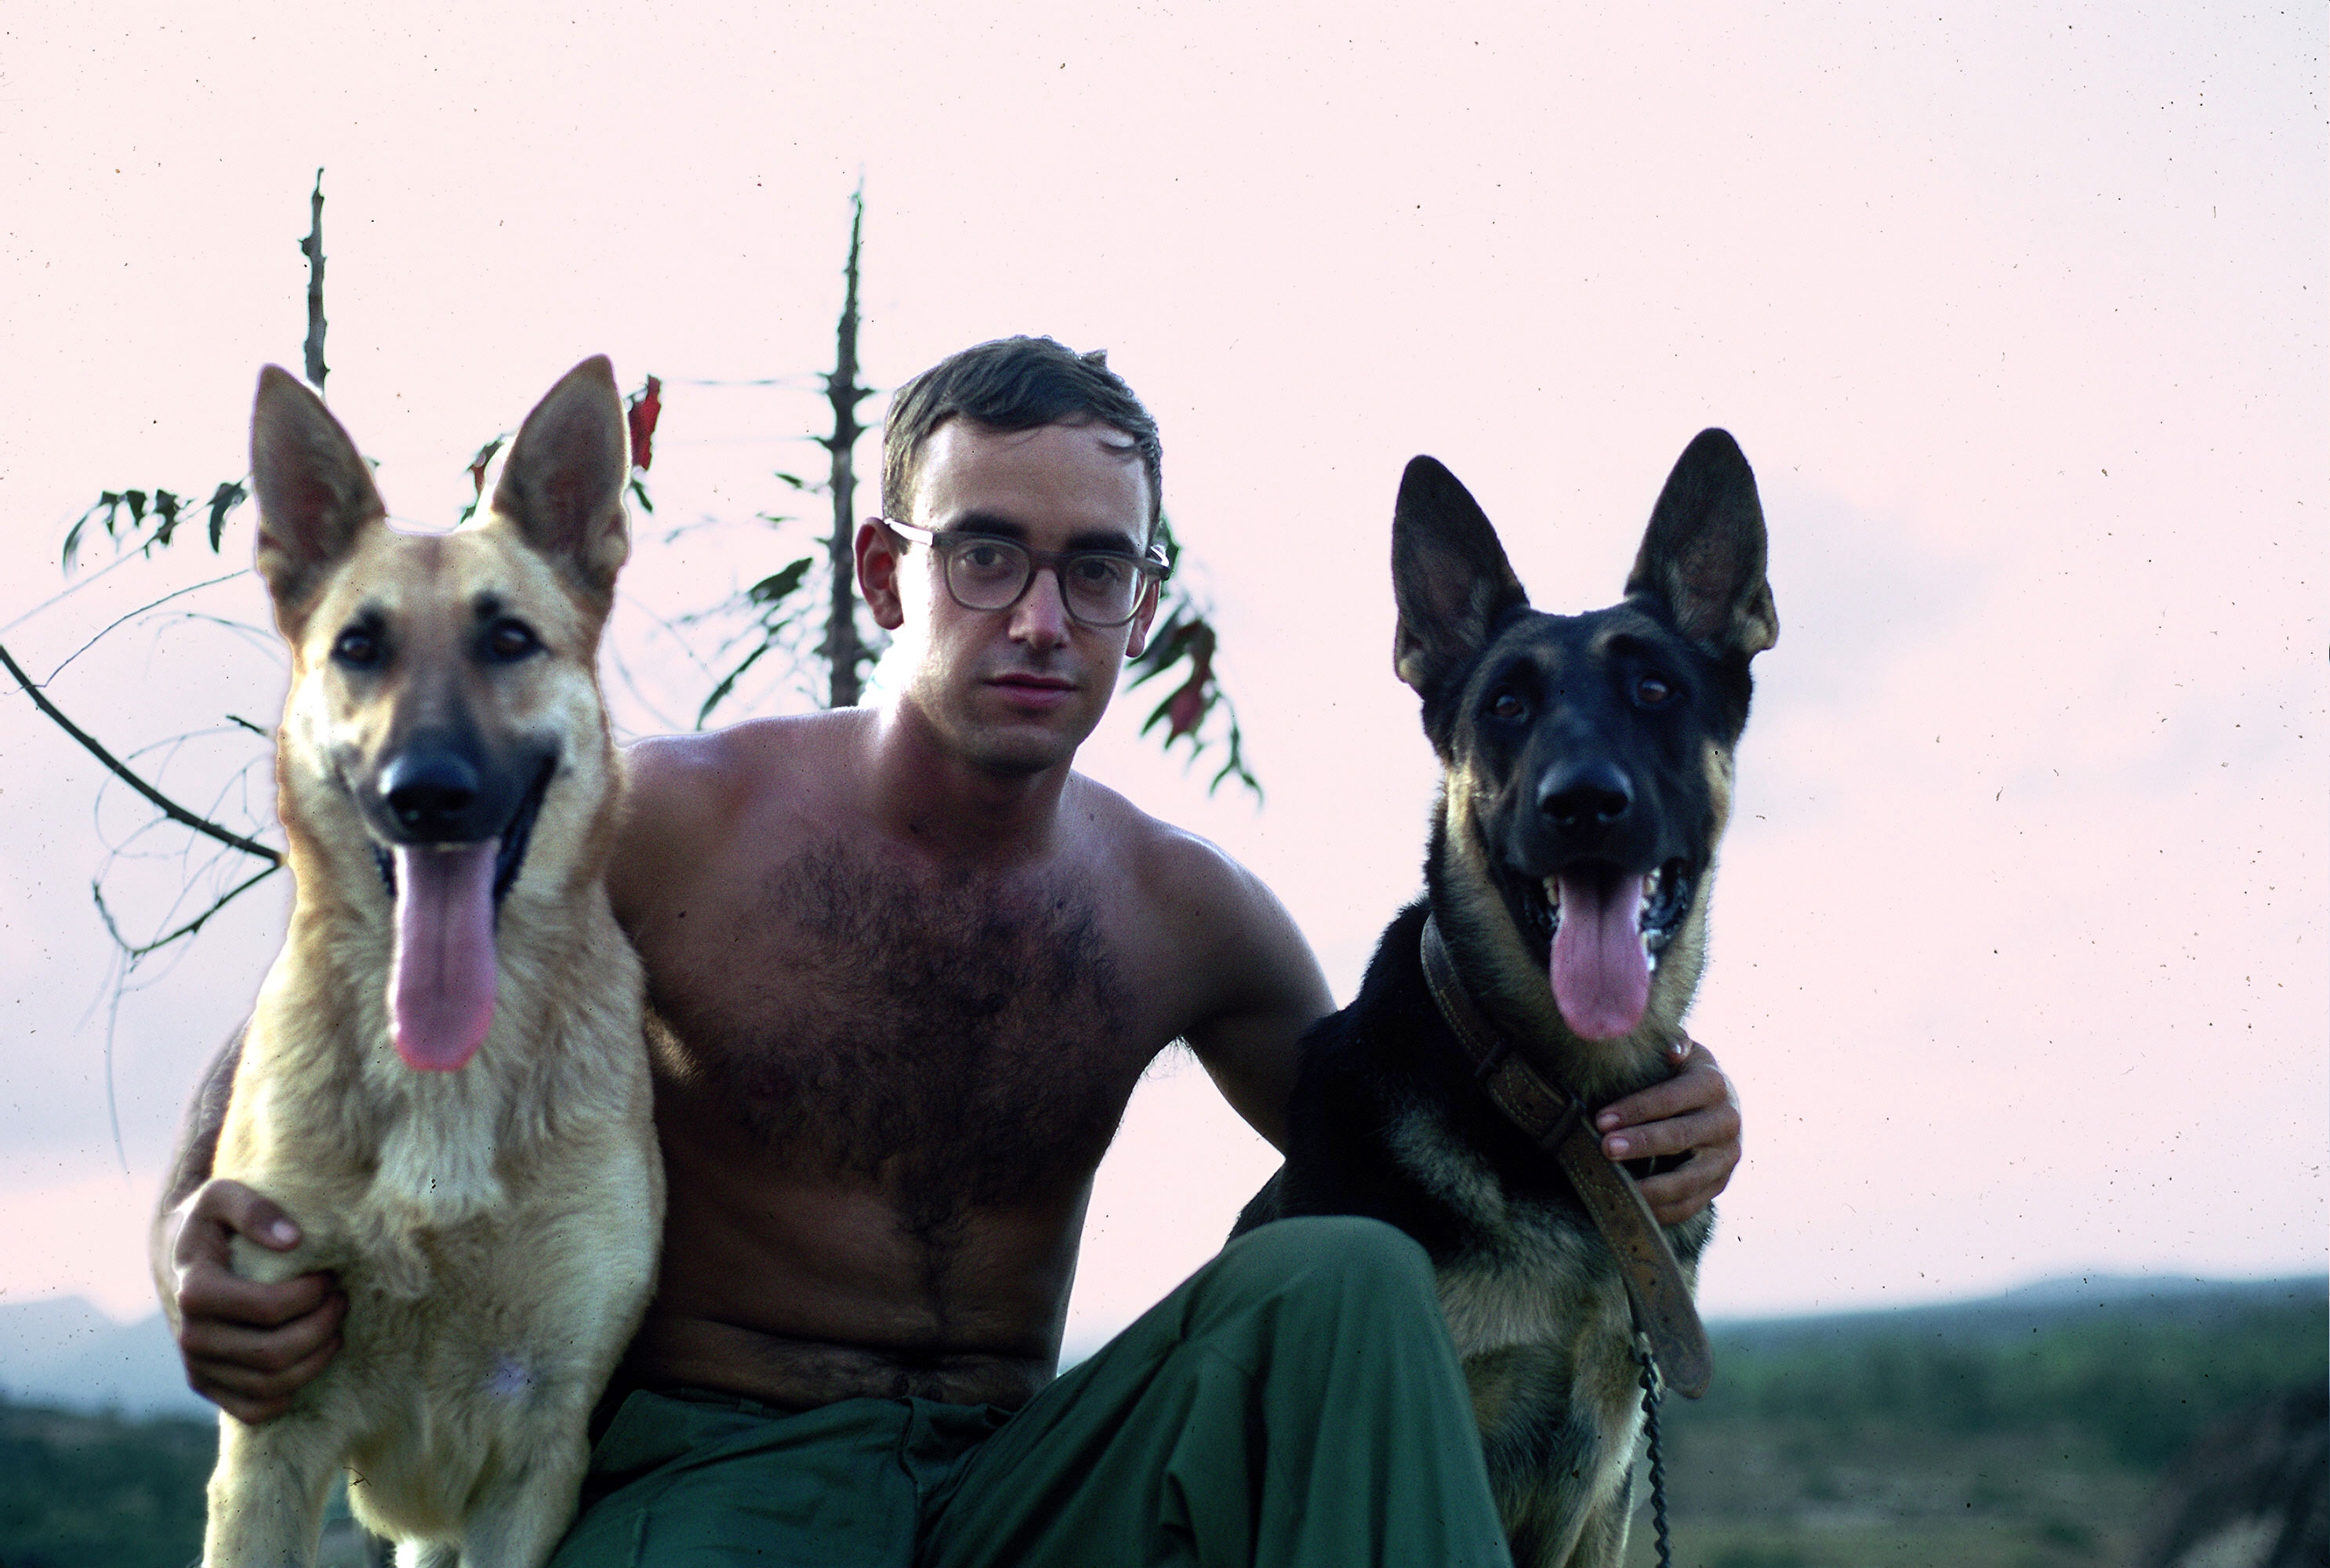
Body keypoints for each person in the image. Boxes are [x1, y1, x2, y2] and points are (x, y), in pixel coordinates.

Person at [154, 337, 1744, 1565]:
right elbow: (324, 1002)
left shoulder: (1184, 909)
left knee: (1345, 1273)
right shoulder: (670, 822)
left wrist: (1671, 1119)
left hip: (1023, 1480)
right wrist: (191, 1245)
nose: (1041, 618)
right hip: (723, 1476)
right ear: (883, 574)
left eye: (1095, 570)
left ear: (1140, 605)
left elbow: (1429, 1125)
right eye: (985, 554)